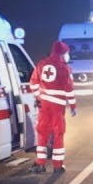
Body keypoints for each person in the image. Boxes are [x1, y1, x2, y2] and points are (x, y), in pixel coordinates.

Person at [28, 41, 76, 173]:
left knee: (42, 133)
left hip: (44, 106)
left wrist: (39, 97)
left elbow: (33, 83)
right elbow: (69, 88)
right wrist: (73, 105)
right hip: (57, 107)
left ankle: (40, 164)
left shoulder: (41, 64)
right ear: (62, 54)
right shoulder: (65, 68)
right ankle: (57, 165)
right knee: (58, 134)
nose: (68, 56)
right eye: (67, 53)